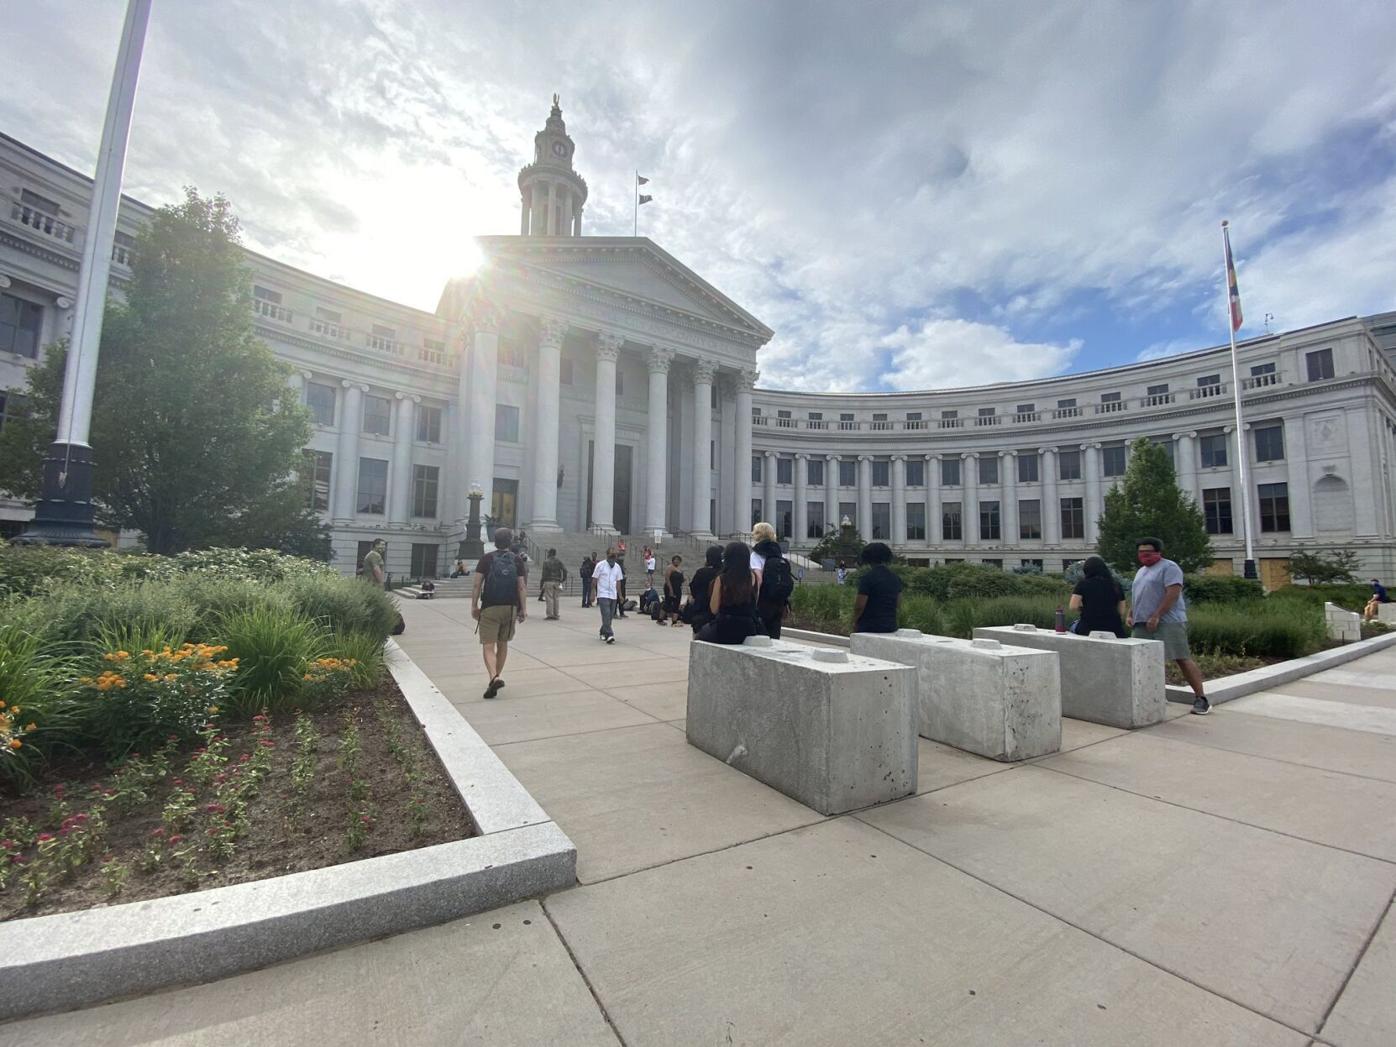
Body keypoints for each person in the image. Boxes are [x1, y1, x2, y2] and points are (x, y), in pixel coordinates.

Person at [1128, 537, 1208, 714]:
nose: (1144, 555)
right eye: (1140, 552)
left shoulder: (1169, 567)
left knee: (1181, 657)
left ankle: (1201, 698)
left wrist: (1157, 615)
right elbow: (1139, 594)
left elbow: (1173, 593)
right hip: (1142, 623)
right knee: (1143, 660)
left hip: (1168, 622)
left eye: (1148, 552)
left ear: (1158, 552)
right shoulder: (1141, 571)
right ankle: (1152, 696)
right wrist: (1131, 613)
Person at [471, 527, 528, 700]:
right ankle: (495, 677)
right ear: (510, 541)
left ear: (495, 541)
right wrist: (523, 609)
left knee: (488, 646)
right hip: (510, 608)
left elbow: (477, 584)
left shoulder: (486, 559)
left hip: (490, 607)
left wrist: (474, 606)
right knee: (503, 644)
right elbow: (521, 586)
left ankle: (494, 677)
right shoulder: (517, 560)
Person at [697, 542, 764, 644]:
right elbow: (755, 602)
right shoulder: (753, 577)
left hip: (725, 627)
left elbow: (714, 609)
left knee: (700, 634)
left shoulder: (722, 578)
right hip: (748, 628)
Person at [750, 522, 793, 640]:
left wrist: (754, 602)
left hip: (763, 602)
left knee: (760, 638)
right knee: (774, 637)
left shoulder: (756, 554)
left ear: (757, 534)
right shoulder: (779, 554)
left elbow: (758, 579)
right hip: (778, 602)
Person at [1069, 555, 1128, 637]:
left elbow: (1073, 606)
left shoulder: (1083, 584)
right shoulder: (1116, 585)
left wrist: (1085, 609)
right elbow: (1121, 611)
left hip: (1088, 627)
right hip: (1114, 629)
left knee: (1072, 626)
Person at [851, 542, 901, 633]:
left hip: (869, 626)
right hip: (890, 626)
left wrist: (854, 621)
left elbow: (860, 606)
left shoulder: (867, 578)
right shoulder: (895, 578)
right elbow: (898, 603)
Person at [685, 545, 724, 635]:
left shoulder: (701, 572)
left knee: (698, 636)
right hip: (718, 611)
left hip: (701, 609)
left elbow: (693, 589)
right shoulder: (723, 573)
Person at [592, 548, 624, 644]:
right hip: (603, 593)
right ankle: (610, 634)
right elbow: (594, 579)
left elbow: (618, 582)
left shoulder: (617, 567)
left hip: (613, 594)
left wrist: (620, 595)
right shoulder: (600, 565)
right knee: (606, 613)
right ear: (607, 556)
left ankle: (603, 631)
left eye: (614, 556)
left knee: (609, 616)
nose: (612, 558)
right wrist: (592, 593)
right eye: (611, 556)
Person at [540, 548, 568, 621]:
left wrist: (541, 582)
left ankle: (550, 614)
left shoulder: (546, 562)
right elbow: (565, 570)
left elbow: (543, 574)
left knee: (549, 598)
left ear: (550, 553)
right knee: (556, 598)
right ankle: (556, 614)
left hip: (548, 580)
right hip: (557, 581)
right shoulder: (558, 561)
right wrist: (563, 578)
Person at [661, 555, 685, 625]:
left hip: (678, 588)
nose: (677, 561)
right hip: (670, 588)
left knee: (677, 604)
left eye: (678, 560)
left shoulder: (680, 569)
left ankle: (674, 621)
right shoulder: (670, 567)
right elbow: (667, 579)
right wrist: (671, 590)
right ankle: (660, 619)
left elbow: (681, 580)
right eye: (675, 559)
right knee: (667, 603)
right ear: (673, 560)